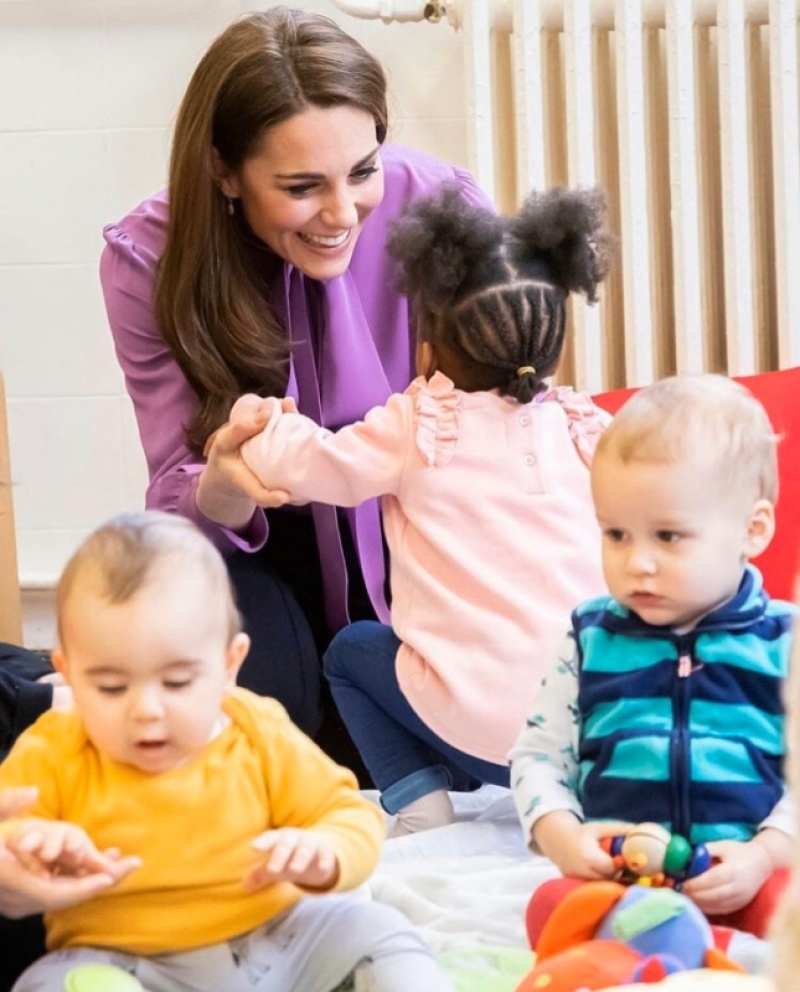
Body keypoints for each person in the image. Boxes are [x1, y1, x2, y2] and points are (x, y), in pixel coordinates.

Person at [98, 6, 495, 765]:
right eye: (301, 186)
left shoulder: (444, 209)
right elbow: (185, 500)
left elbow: (510, 421)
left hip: (424, 534)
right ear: (224, 170)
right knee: (261, 735)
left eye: (363, 170)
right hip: (260, 545)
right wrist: (225, 480)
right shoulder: (146, 261)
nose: (342, 214)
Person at [227, 183, 616, 834]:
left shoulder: (420, 426)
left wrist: (263, 423)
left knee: (352, 652)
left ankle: (417, 800)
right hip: (593, 742)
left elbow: (313, 465)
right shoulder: (590, 431)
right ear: (552, 348)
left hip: (481, 736)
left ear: (428, 350)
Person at [0, 511, 455, 992]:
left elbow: (346, 813)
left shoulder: (255, 729)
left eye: (177, 682)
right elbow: (10, 825)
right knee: (51, 983)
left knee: (376, 931)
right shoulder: (54, 746)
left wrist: (326, 853)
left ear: (228, 665)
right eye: (110, 687)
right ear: (67, 674)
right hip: (124, 964)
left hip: (276, 942)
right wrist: (29, 843)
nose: (147, 709)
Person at [509, 374, 796, 951]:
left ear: (752, 530)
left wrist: (765, 855)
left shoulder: (784, 641)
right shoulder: (589, 637)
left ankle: (709, 950)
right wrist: (563, 836)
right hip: (623, 880)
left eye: (668, 537)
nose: (637, 562)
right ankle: (665, 948)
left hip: (743, 877)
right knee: (549, 908)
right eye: (616, 534)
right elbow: (539, 756)